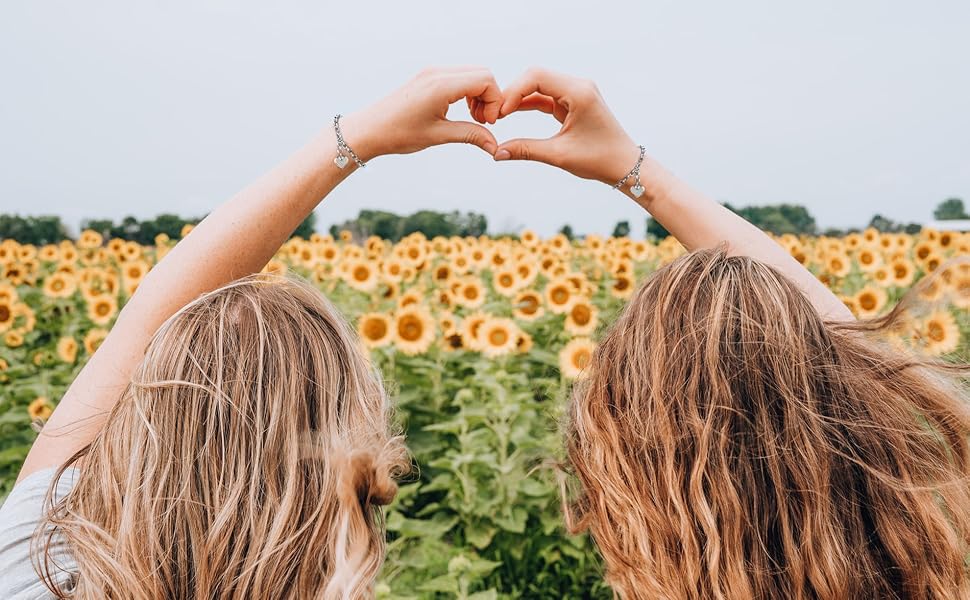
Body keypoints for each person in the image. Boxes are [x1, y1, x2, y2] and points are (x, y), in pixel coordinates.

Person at [0, 67, 507, 600]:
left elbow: (139, 326)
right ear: (345, 487)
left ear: (138, 442)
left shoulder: (32, 569)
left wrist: (352, 138)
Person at [487, 68, 970, 598]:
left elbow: (846, 351)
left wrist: (374, 142)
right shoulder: (903, 568)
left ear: (637, 481)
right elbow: (848, 355)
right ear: (848, 432)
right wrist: (635, 169)